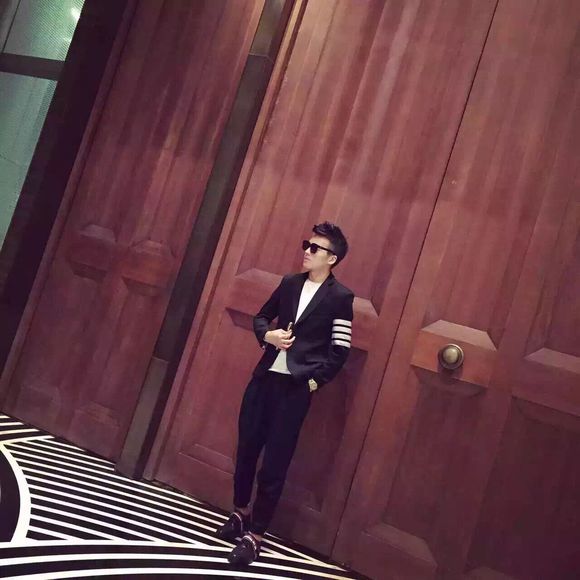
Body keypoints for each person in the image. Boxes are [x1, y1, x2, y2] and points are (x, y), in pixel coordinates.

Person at [216, 221, 354, 566]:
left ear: (332, 258)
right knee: (247, 449)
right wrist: (269, 336)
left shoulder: (340, 297)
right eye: (307, 244)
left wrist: (312, 383)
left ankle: (256, 536)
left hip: (295, 388)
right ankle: (240, 513)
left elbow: (340, 350)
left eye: (315, 248)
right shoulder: (290, 283)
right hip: (264, 379)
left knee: (275, 463)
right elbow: (262, 317)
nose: (307, 251)